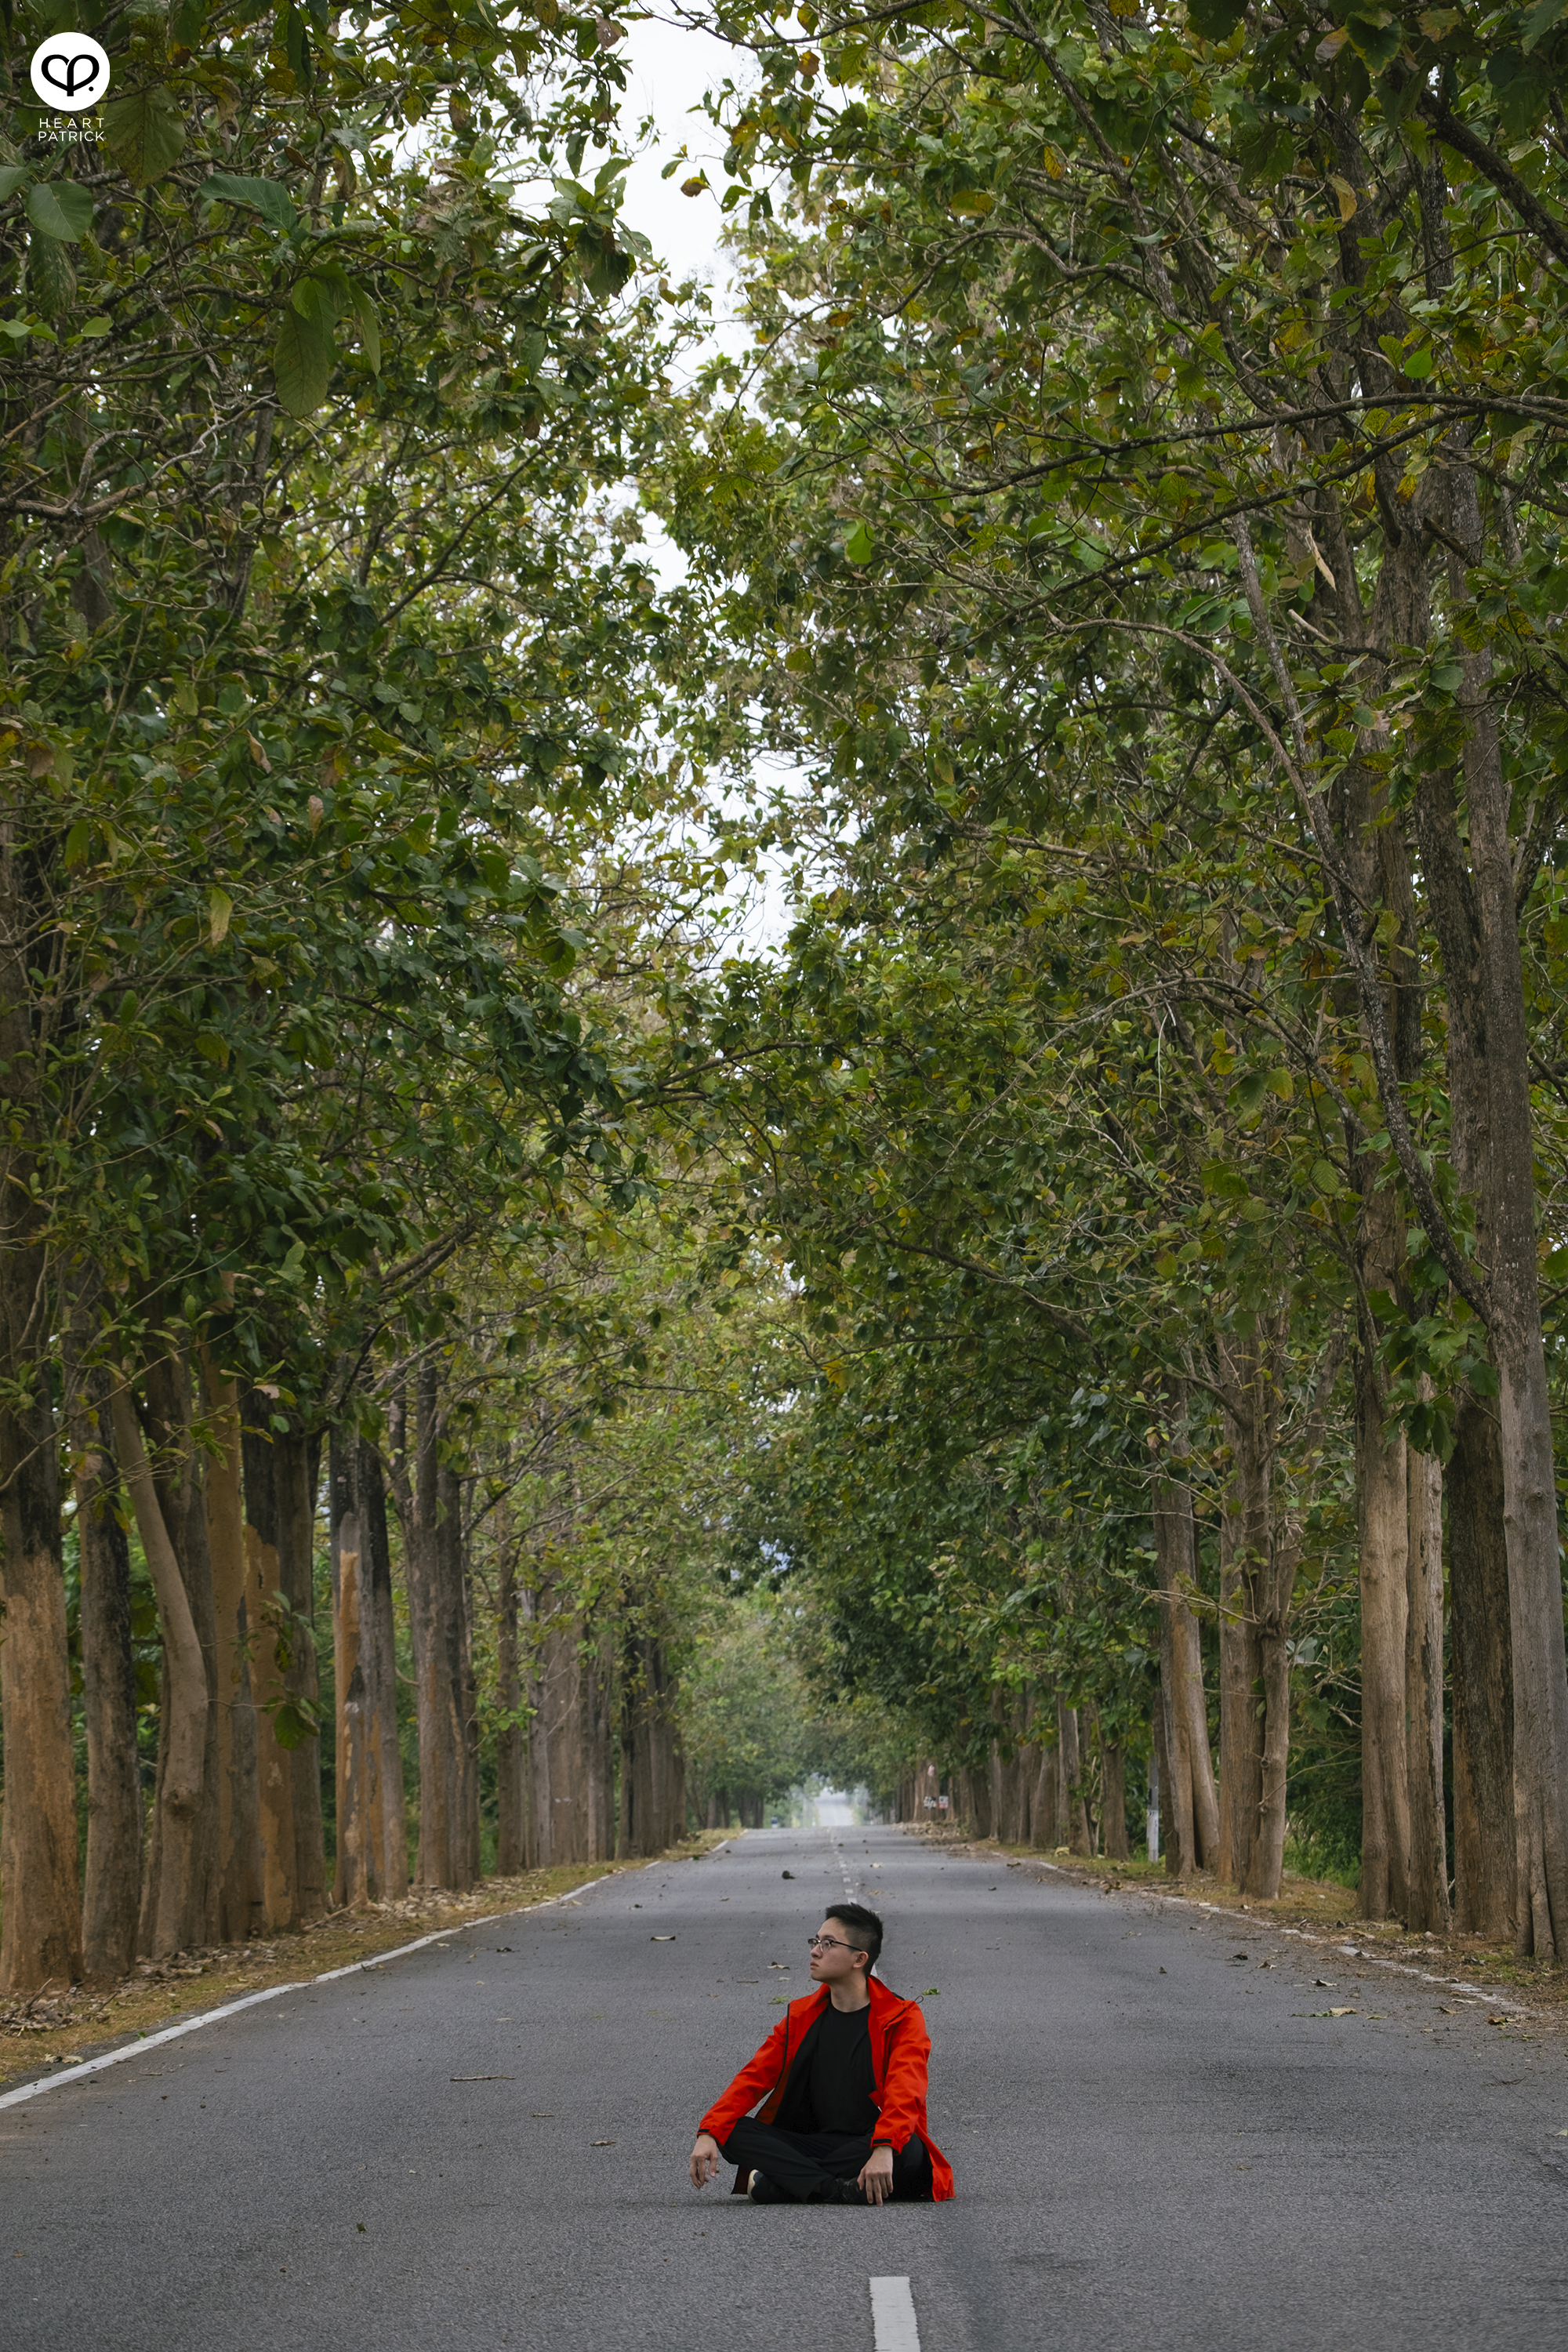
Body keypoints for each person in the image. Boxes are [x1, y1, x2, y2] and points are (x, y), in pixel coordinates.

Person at [687, 1900, 953, 2206]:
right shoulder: (802, 2016)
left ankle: (791, 2183)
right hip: (814, 2143)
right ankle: (834, 2189)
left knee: (908, 2147)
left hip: (868, 2143)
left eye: (828, 1944)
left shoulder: (900, 2018)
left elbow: (906, 2091)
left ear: (859, 1959)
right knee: (731, 2130)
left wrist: (883, 2147)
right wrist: (708, 2132)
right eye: (816, 1941)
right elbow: (753, 2077)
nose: (815, 1951)